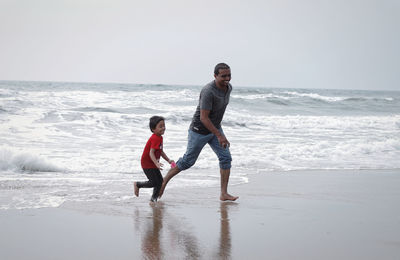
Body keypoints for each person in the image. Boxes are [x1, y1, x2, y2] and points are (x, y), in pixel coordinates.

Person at [159, 63, 238, 201]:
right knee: (187, 162)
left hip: (215, 128)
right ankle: (163, 182)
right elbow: (203, 118)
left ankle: (224, 193)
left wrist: (218, 132)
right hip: (199, 131)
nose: (227, 78)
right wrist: (219, 135)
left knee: (226, 158)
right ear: (215, 76)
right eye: (223, 76)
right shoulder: (208, 91)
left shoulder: (228, 88)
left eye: (229, 75)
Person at [134, 116, 175, 202]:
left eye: (164, 125)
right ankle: (138, 185)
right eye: (160, 126)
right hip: (147, 164)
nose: (163, 128)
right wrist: (156, 163)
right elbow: (151, 152)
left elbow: (160, 151)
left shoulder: (160, 137)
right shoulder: (155, 138)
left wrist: (168, 160)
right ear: (153, 129)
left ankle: (153, 199)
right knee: (154, 182)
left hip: (153, 163)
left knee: (159, 181)